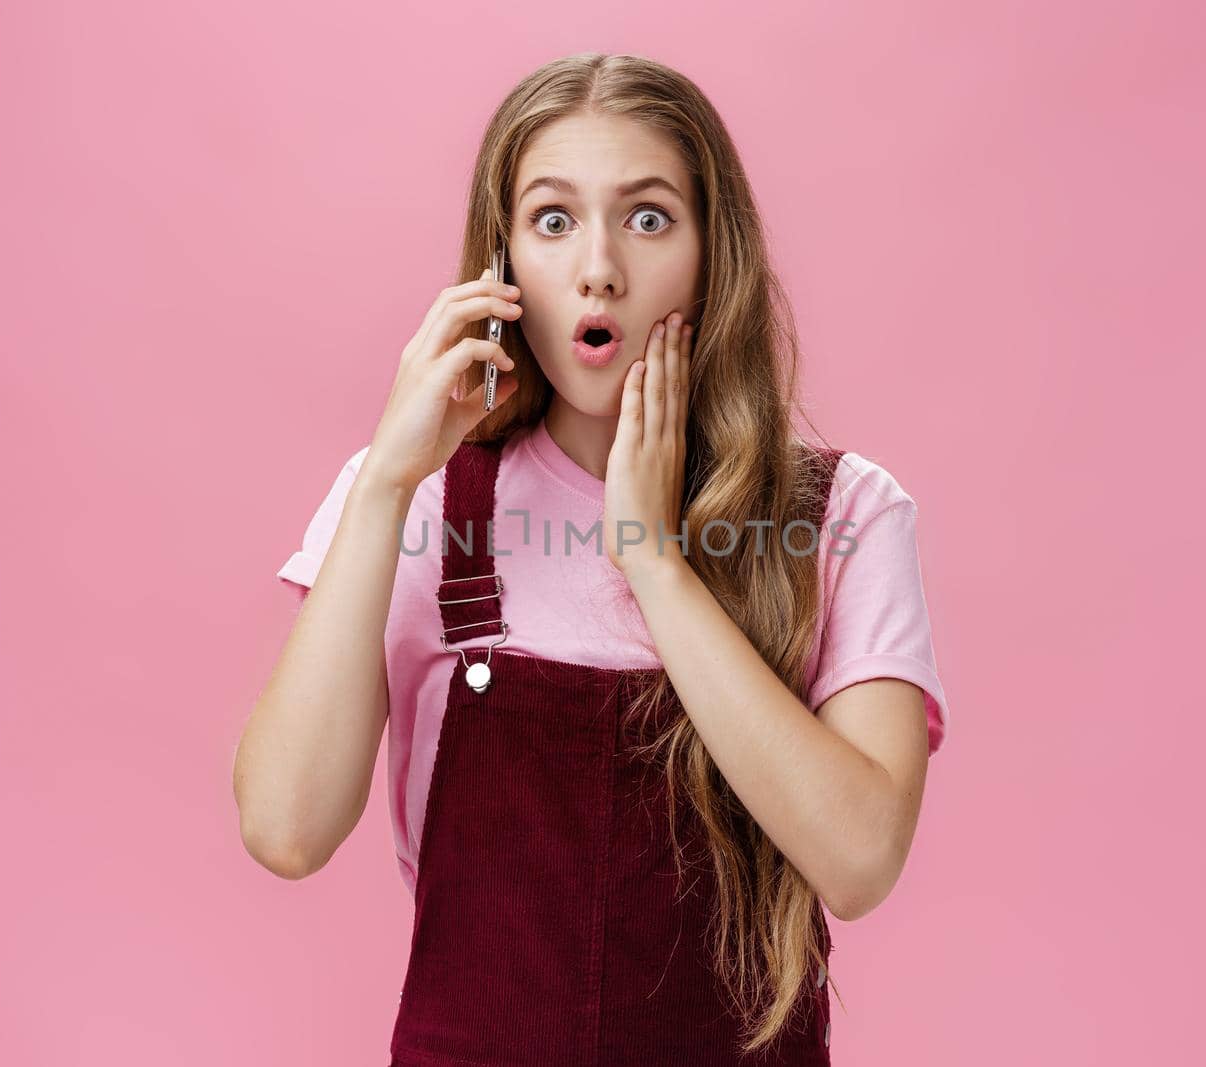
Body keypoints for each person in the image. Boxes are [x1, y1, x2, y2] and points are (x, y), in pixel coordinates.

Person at [234, 52, 951, 1066]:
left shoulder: (838, 515)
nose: (598, 266)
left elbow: (861, 856)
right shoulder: (421, 500)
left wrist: (652, 561)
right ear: (501, 262)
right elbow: (284, 826)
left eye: (649, 217)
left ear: (714, 253)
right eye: (553, 219)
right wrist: (386, 482)